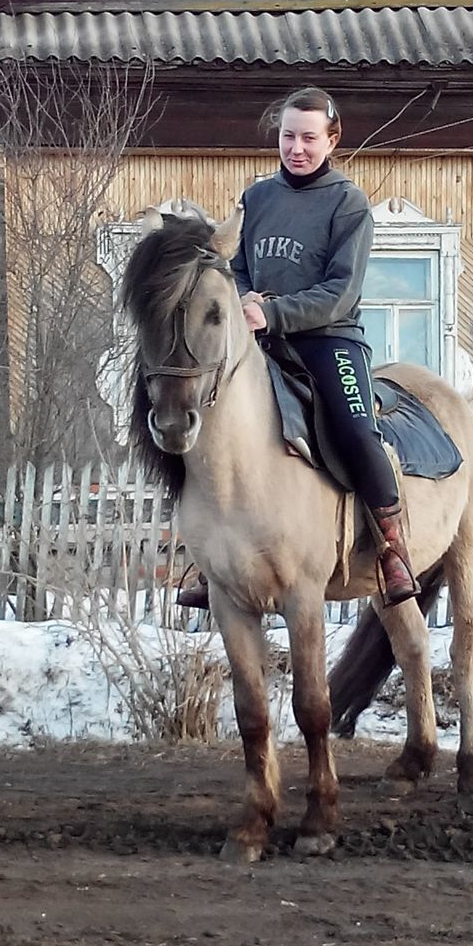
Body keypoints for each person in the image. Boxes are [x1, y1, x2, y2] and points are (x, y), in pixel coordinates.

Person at [178, 85, 419, 610]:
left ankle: (390, 548)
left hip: (329, 340)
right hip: (261, 341)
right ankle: (209, 556)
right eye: (289, 136)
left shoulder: (347, 203)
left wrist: (274, 311)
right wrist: (243, 298)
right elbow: (235, 267)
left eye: (309, 138)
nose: (297, 147)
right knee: (211, 420)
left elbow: (342, 291)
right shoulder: (257, 199)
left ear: (332, 140)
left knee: (357, 430)